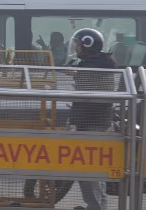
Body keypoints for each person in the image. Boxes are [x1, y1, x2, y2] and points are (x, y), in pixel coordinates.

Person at [70, 28, 116, 210]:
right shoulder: (100, 62)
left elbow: (85, 90)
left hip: (93, 123)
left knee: (88, 169)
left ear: (87, 44)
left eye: (78, 44)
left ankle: (96, 206)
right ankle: (97, 206)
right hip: (96, 121)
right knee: (94, 170)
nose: (75, 48)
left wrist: (74, 74)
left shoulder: (93, 65)